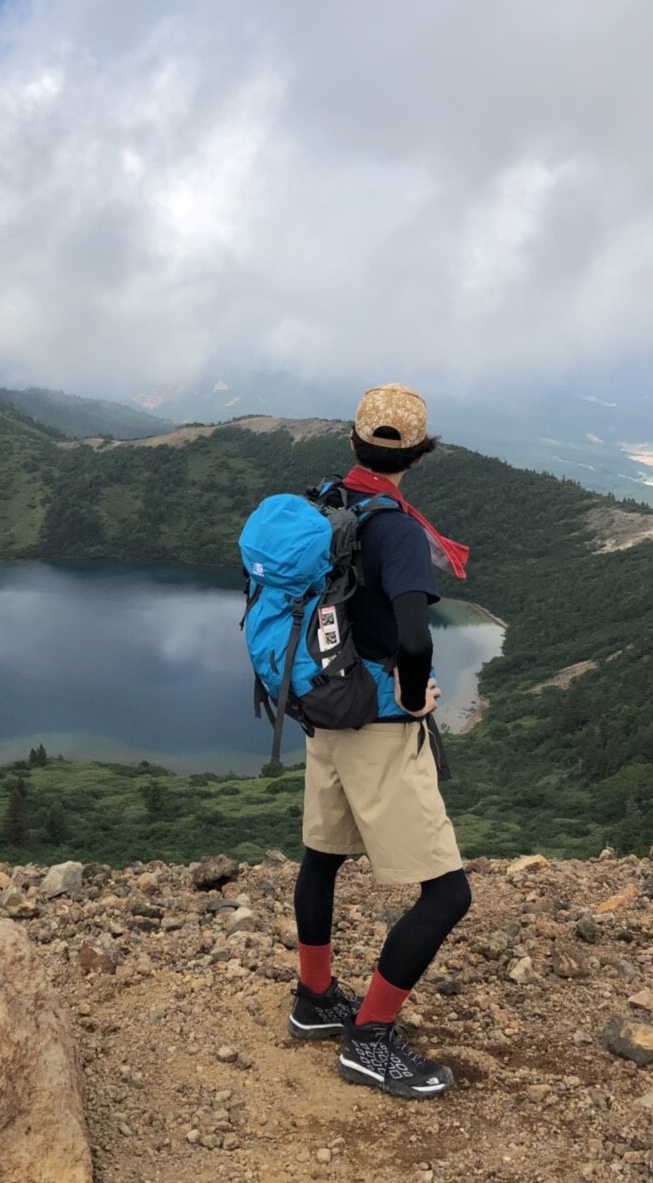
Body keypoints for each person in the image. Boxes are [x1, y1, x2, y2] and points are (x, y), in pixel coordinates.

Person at [286, 382, 473, 1100]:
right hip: (377, 728)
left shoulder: (333, 502)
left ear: (353, 442)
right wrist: (410, 689)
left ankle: (314, 1002)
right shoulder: (394, 526)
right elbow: (414, 635)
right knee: (447, 893)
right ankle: (369, 1040)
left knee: (322, 858)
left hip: (326, 711)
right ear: (419, 455)